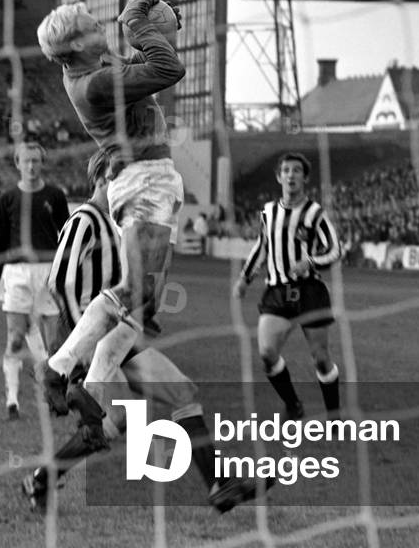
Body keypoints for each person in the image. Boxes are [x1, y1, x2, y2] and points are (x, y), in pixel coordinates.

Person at [21, 148, 266, 514]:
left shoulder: (121, 226)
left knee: (183, 391)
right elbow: (60, 283)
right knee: (118, 420)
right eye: (119, 173)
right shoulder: (83, 220)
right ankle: (42, 478)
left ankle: (219, 484)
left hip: (123, 336)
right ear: (102, 178)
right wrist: (82, 350)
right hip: (89, 341)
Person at [35, 0, 186, 417]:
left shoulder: (93, 68)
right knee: (134, 291)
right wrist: (137, 24)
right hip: (143, 181)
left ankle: (90, 390)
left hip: (148, 179)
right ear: (79, 44)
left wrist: (161, 27)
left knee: (147, 301)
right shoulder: (95, 84)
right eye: (93, 25)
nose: (103, 27)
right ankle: (59, 368)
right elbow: (169, 68)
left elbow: (147, 66)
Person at [233, 153, 343, 420]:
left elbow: (336, 250)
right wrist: (245, 278)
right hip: (277, 292)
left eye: (296, 171)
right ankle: (293, 404)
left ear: (305, 178)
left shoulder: (315, 213)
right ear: (278, 176)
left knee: (320, 358)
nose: (290, 175)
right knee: (267, 354)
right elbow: (262, 247)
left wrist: (310, 262)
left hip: (309, 292)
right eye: (286, 170)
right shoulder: (268, 212)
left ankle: (334, 415)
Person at [0, 142, 70, 420]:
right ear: (17, 163)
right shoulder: (7, 199)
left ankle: (52, 393)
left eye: (36, 161)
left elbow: (67, 236)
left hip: (48, 273)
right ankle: (12, 401)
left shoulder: (55, 196)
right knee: (14, 338)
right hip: (17, 273)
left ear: (42, 162)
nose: (32, 166)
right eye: (27, 161)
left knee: (53, 345)